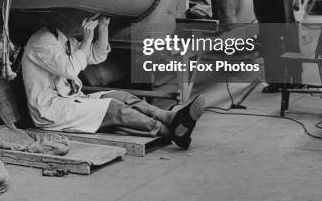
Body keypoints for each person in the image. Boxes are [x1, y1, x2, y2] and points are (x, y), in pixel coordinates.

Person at [21, 13, 205, 149]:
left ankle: (170, 118)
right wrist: (87, 39)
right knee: (114, 108)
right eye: (77, 17)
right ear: (60, 18)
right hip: (51, 111)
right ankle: (171, 132)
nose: (82, 22)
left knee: (120, 95)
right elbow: (70, 70)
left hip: (68, 99)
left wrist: (103, 28)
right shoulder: (41, 41)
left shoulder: (64, 39)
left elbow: (96, 55)